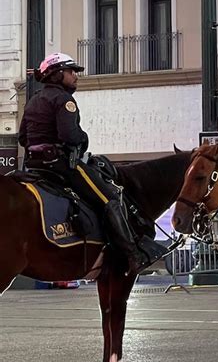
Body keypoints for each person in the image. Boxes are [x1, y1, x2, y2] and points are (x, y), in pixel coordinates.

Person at [18, 52, 154, 275]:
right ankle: (134, 255)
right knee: (109, 197)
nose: (76, 76)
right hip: (61, 166)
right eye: (71, 71)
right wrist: (83, 138)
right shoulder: (64, 100)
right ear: (58, 74)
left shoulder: (33, 101)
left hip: (34, 167)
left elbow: (23, 138)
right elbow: (70, 136)